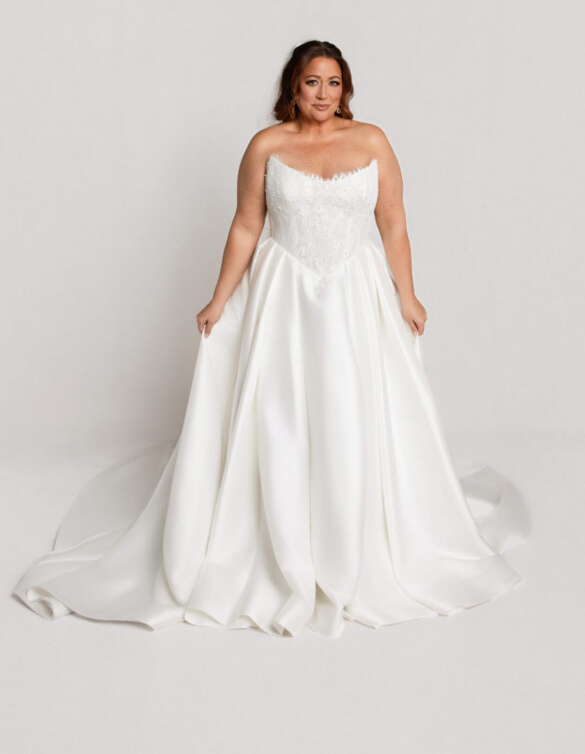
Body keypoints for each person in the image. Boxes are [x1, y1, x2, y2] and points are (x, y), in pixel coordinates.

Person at [13, 39, 530, 638]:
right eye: (313, 82)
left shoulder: (371, 141)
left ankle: (354, 536)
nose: (324, 94)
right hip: (284, 294)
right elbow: (246, 225)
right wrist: (219, 297)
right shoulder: (266, 146)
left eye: (334, 83)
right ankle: (279, 538)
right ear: (293, 86)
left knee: (350, 406)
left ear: (346, 89)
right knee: (281, 413)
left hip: (354, 293)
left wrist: (407, 293)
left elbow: (392, 220)